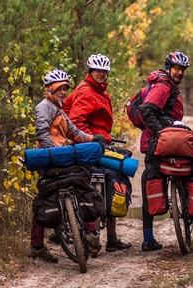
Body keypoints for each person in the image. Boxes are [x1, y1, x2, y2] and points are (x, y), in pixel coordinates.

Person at [28, 69, 105, 262]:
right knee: (44, 197)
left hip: (62, 156)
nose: (63, 92)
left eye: (65, 88)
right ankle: (37, 246)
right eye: (59, 88)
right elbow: (42, 133)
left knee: (82, 186)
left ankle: (91, 234)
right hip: (51, 158)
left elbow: (73, 131)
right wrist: (53, 152)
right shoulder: (44, 107)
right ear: (49, 89)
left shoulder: (60, 109)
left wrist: (91, 138)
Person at [62, 53, 132, 253]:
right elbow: (76, 123)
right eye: (97, 71)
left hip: (95, 142)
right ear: (90, 71)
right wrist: (93, 138)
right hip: (89, 146)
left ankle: (111, 238)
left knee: (122, 164)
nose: (101, 74)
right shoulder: (87, 91)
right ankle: (106, 237)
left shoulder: (97, 90)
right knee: (114, 175)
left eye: (104, 71)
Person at [139, 51, 193, 251]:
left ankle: (148, 238)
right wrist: (163, 132)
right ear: (168, 68)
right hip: (159, 142)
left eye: (183, 69)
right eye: (177, 68)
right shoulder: (162, 86)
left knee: (153, 177)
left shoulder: (168, 85)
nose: (180, 72)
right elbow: (146, 110)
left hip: (161, 140)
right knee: (189, 170)